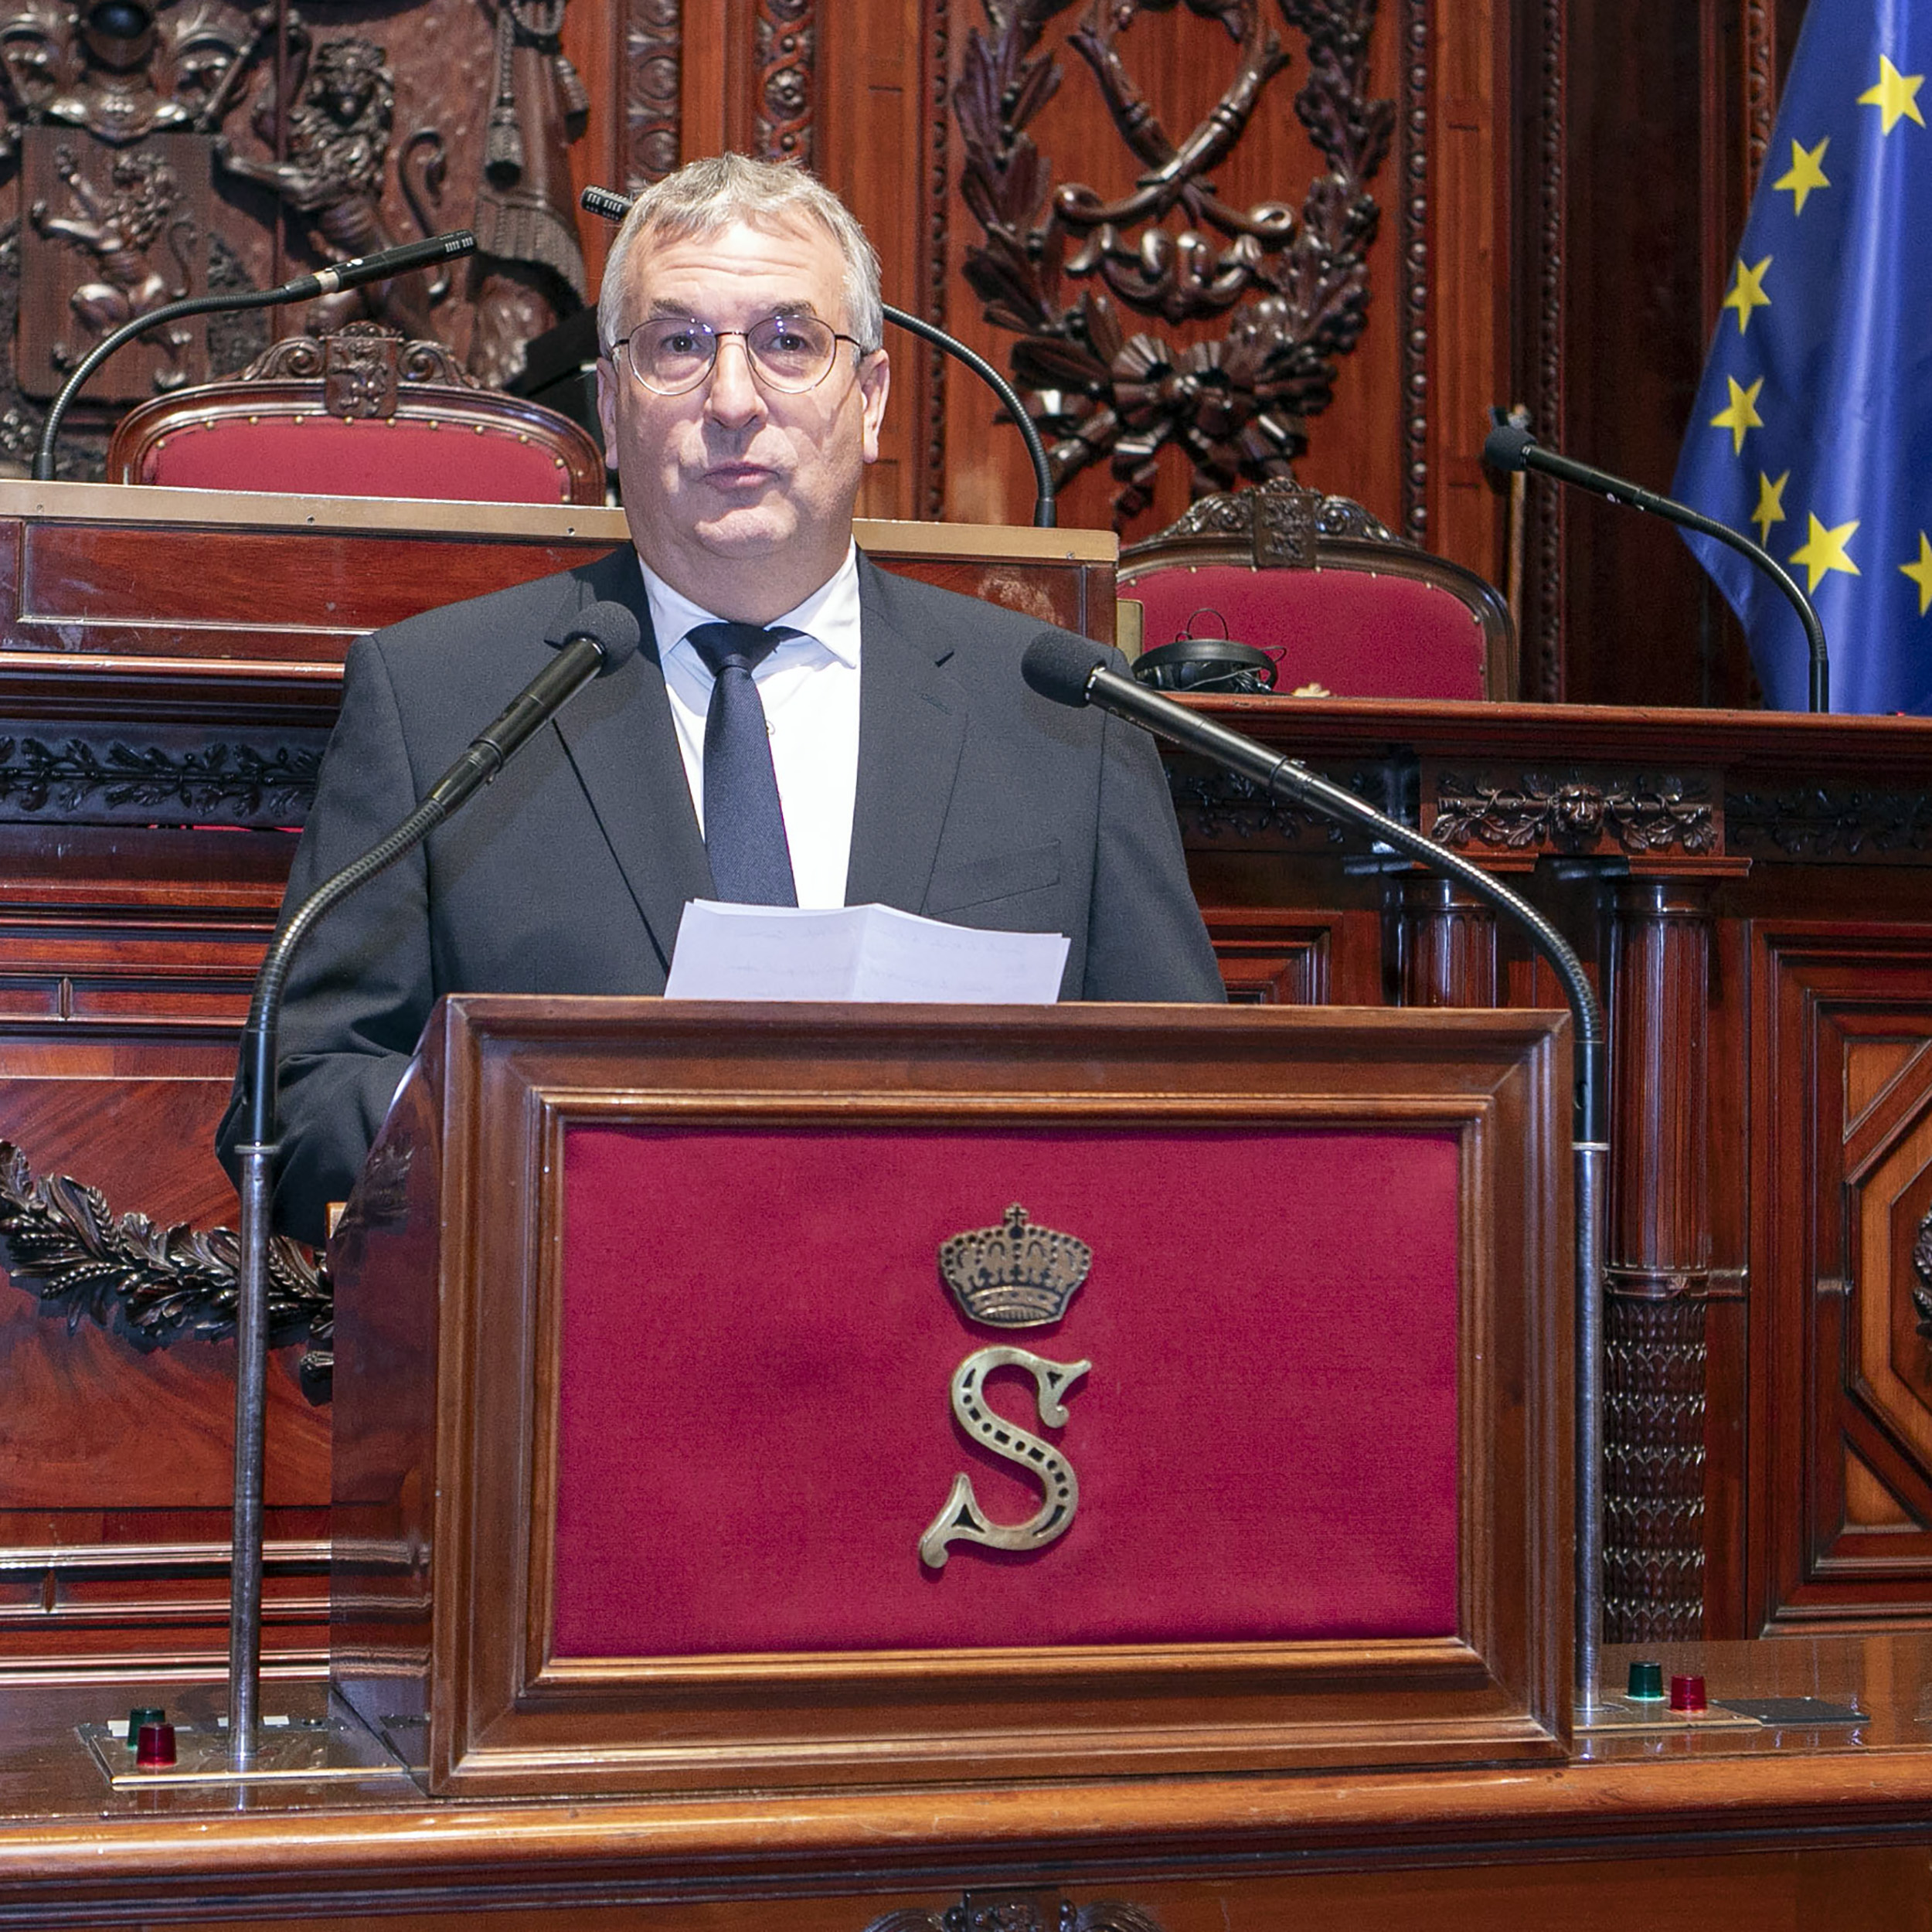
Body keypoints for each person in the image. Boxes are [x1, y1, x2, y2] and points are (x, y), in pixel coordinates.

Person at [217, 154, 1223, 1244]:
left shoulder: (1061, 712)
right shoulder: (439, 700)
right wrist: (546, 1132)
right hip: (570, 1361)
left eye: (789, 342)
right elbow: (298, 1093)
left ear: (871, 399)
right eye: (678, 345)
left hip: (968, 1363)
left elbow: (1199, 1103)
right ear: (610, 408)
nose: (734, 400)